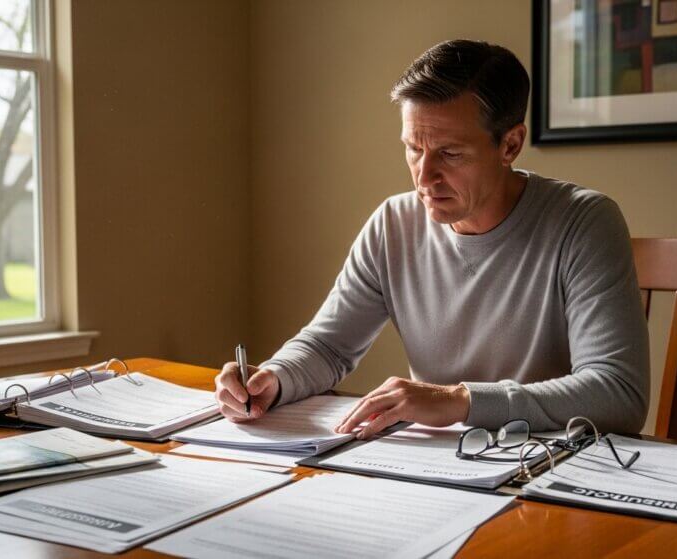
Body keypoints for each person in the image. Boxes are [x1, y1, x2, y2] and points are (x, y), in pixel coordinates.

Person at [214, 39, 649, 439]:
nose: (424, 178)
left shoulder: (585, 222)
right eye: (414, 149)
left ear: (511, 144)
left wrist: (459, 401)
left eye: (450, 153)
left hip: (549, 469)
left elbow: (618, 394)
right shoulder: (393, 223)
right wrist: (274, 378)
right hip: (440, 468)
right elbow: (328, 347)